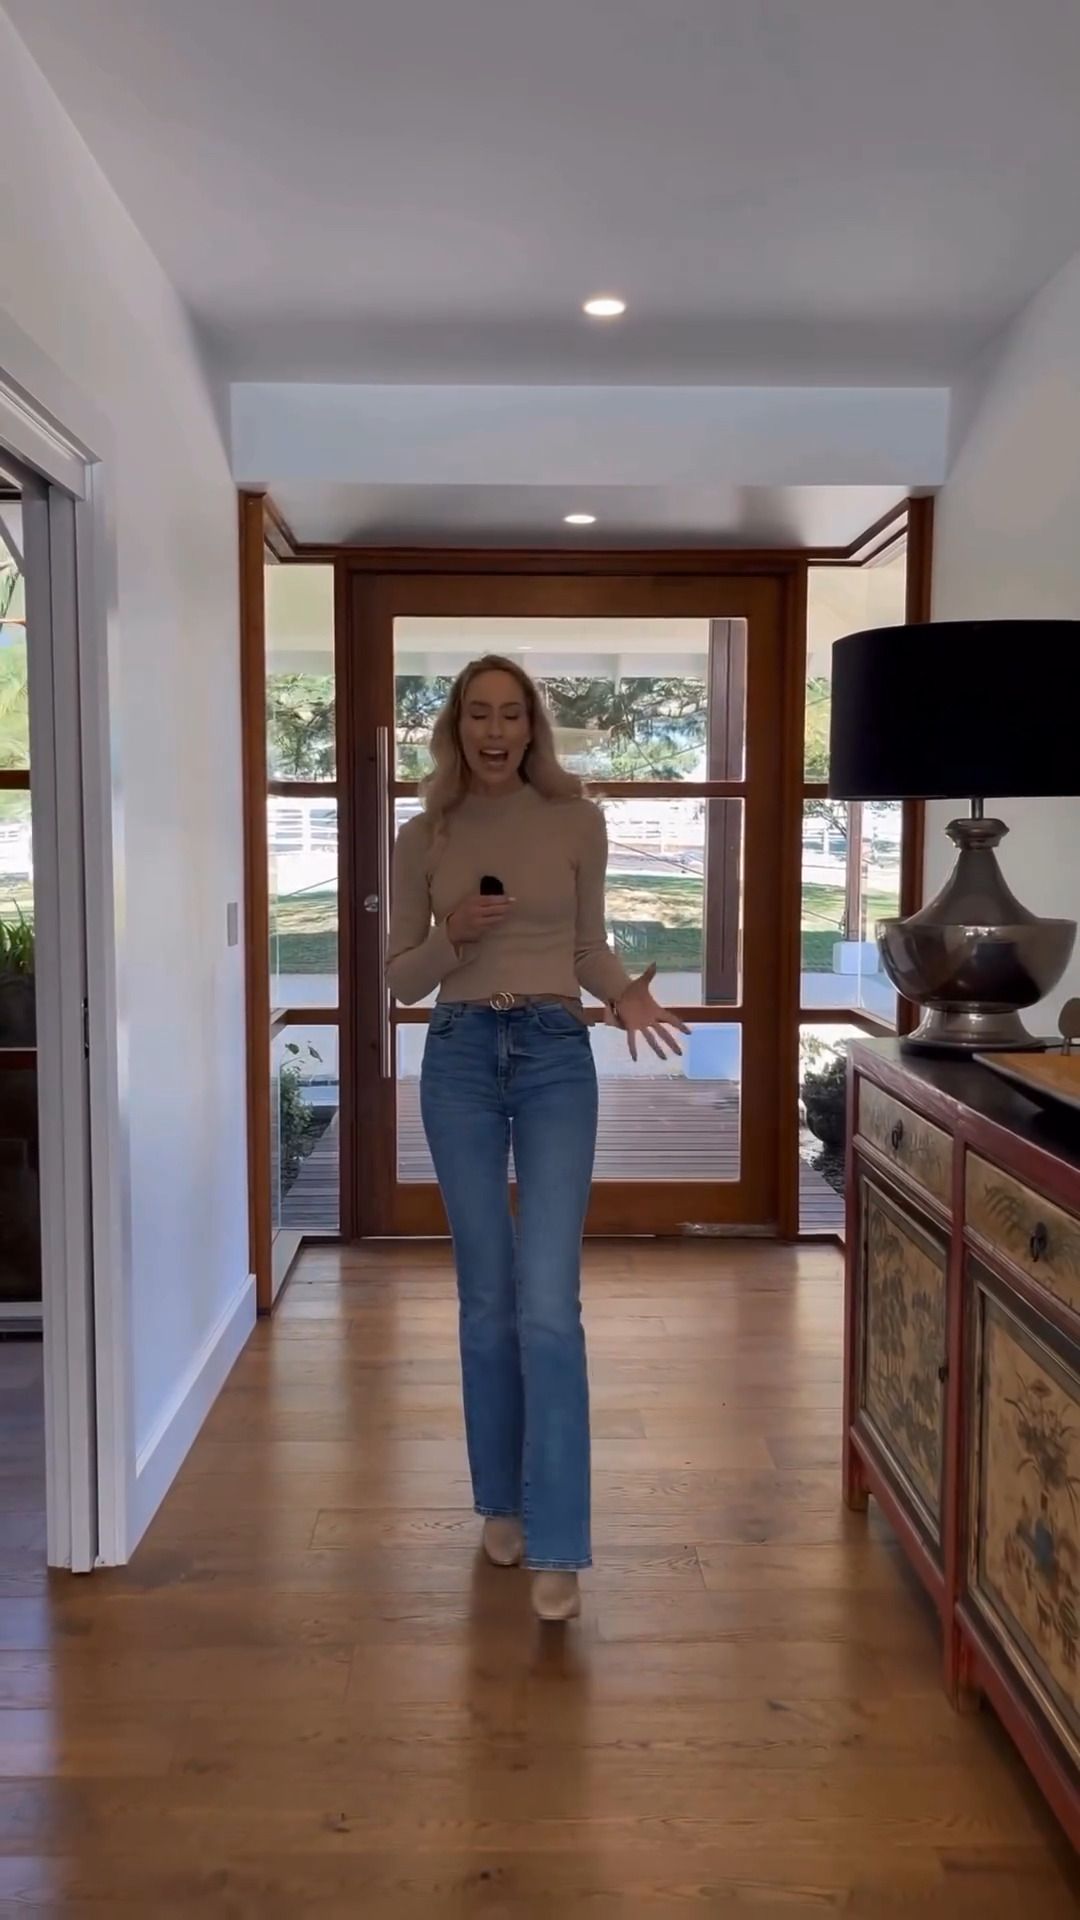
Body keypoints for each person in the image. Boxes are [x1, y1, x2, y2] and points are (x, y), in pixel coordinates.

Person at [386, 655, 687, 1621]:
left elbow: (587, 946)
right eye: (478, 714)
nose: (495, 731)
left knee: (550, 1304)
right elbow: (401, 980)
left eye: (511, 714)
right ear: (456, 727)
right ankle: (502, 1502)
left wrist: (625, 995)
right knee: (488, 1300)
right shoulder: (422, 835)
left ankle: (559, 1541)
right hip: (460, 1055)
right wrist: (454, 936)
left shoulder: (576, 821)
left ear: (531, 727)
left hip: (556, 1052)